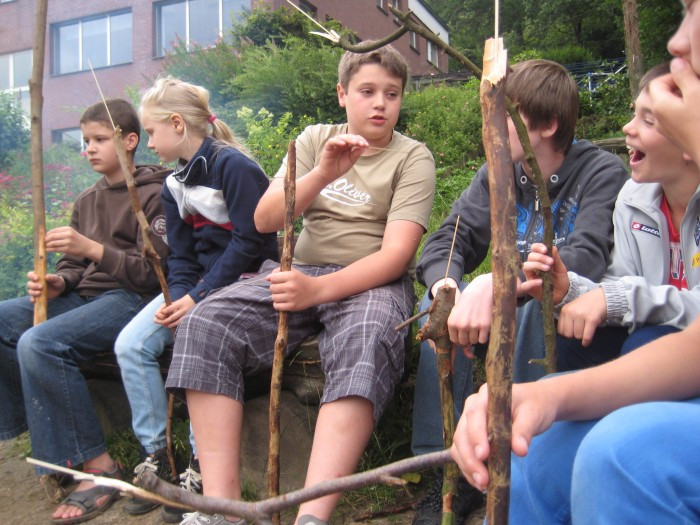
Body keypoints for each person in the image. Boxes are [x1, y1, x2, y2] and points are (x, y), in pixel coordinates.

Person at [165, 44, 436, 525]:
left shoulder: (412, 157)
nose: (380, 103)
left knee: (367, 336)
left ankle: (312, 515)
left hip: (371, 280)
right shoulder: (314, 140)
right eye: (367, 91)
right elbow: (265, 219)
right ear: (342, 94)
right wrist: (324, 172)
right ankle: (224, 509)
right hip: (301, 268)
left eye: (391, 94)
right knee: (206, 323)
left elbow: (395, 257)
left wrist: (317, 293)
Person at [451, 3, 700, 521]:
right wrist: (547, 394)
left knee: (618, 457)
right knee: (536, 456)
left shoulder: (602, 173)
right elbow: (450, 239)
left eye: (649, 119)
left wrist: (549, 288)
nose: (678, 40)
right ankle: (451, 478)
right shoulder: (637, 199)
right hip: (656, 351)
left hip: (646, 347)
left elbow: (595, 263)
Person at [410, 59, 628, 524]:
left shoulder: (602, 172)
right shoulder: (499, 170)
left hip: (575, 325)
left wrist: (497, 284)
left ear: (548, 125)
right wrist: (449, 285)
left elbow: (584, 259)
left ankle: (518, 459)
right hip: (507, 308)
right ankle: (445, 468)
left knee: (532, 309)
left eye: (504, 115)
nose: (490, 126)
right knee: (436, 303)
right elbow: (449, 239)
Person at [113, 77, 278, 521]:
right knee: (132, 344)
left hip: (245, 279)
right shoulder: (173, 184)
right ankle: (157, 453)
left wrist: (200, 297)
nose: (148, 143)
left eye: (151, 132)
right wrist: (181, 297)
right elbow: (182, 258)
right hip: (200, 286)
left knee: (195, 334)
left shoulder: (234, 167)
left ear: (177, 124)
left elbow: (249, 242)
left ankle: (201, 465)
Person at [0, 99, 169, 524]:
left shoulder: (156, 193)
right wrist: (58, 282)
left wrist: (93, 249)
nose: (88, 148)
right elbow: (72, 267)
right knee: (4, 320)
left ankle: (100, 469)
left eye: (99, 139)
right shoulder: (87, 199)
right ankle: (43, 437)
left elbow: (154, 275)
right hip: (85, 298)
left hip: (129, 300)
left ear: (130, 141)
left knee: (40, 343)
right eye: (85, 140)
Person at [524, 62, 700, 370]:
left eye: (649, 121)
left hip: (670, 345)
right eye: (635, 114)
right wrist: (569, 290)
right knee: (572, 336)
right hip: (651, 339)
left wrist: (620, 298)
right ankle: (541, 400)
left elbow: (626, 297)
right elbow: (620, 284)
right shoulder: (634, 196)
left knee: (645, 343)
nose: (628, 128)